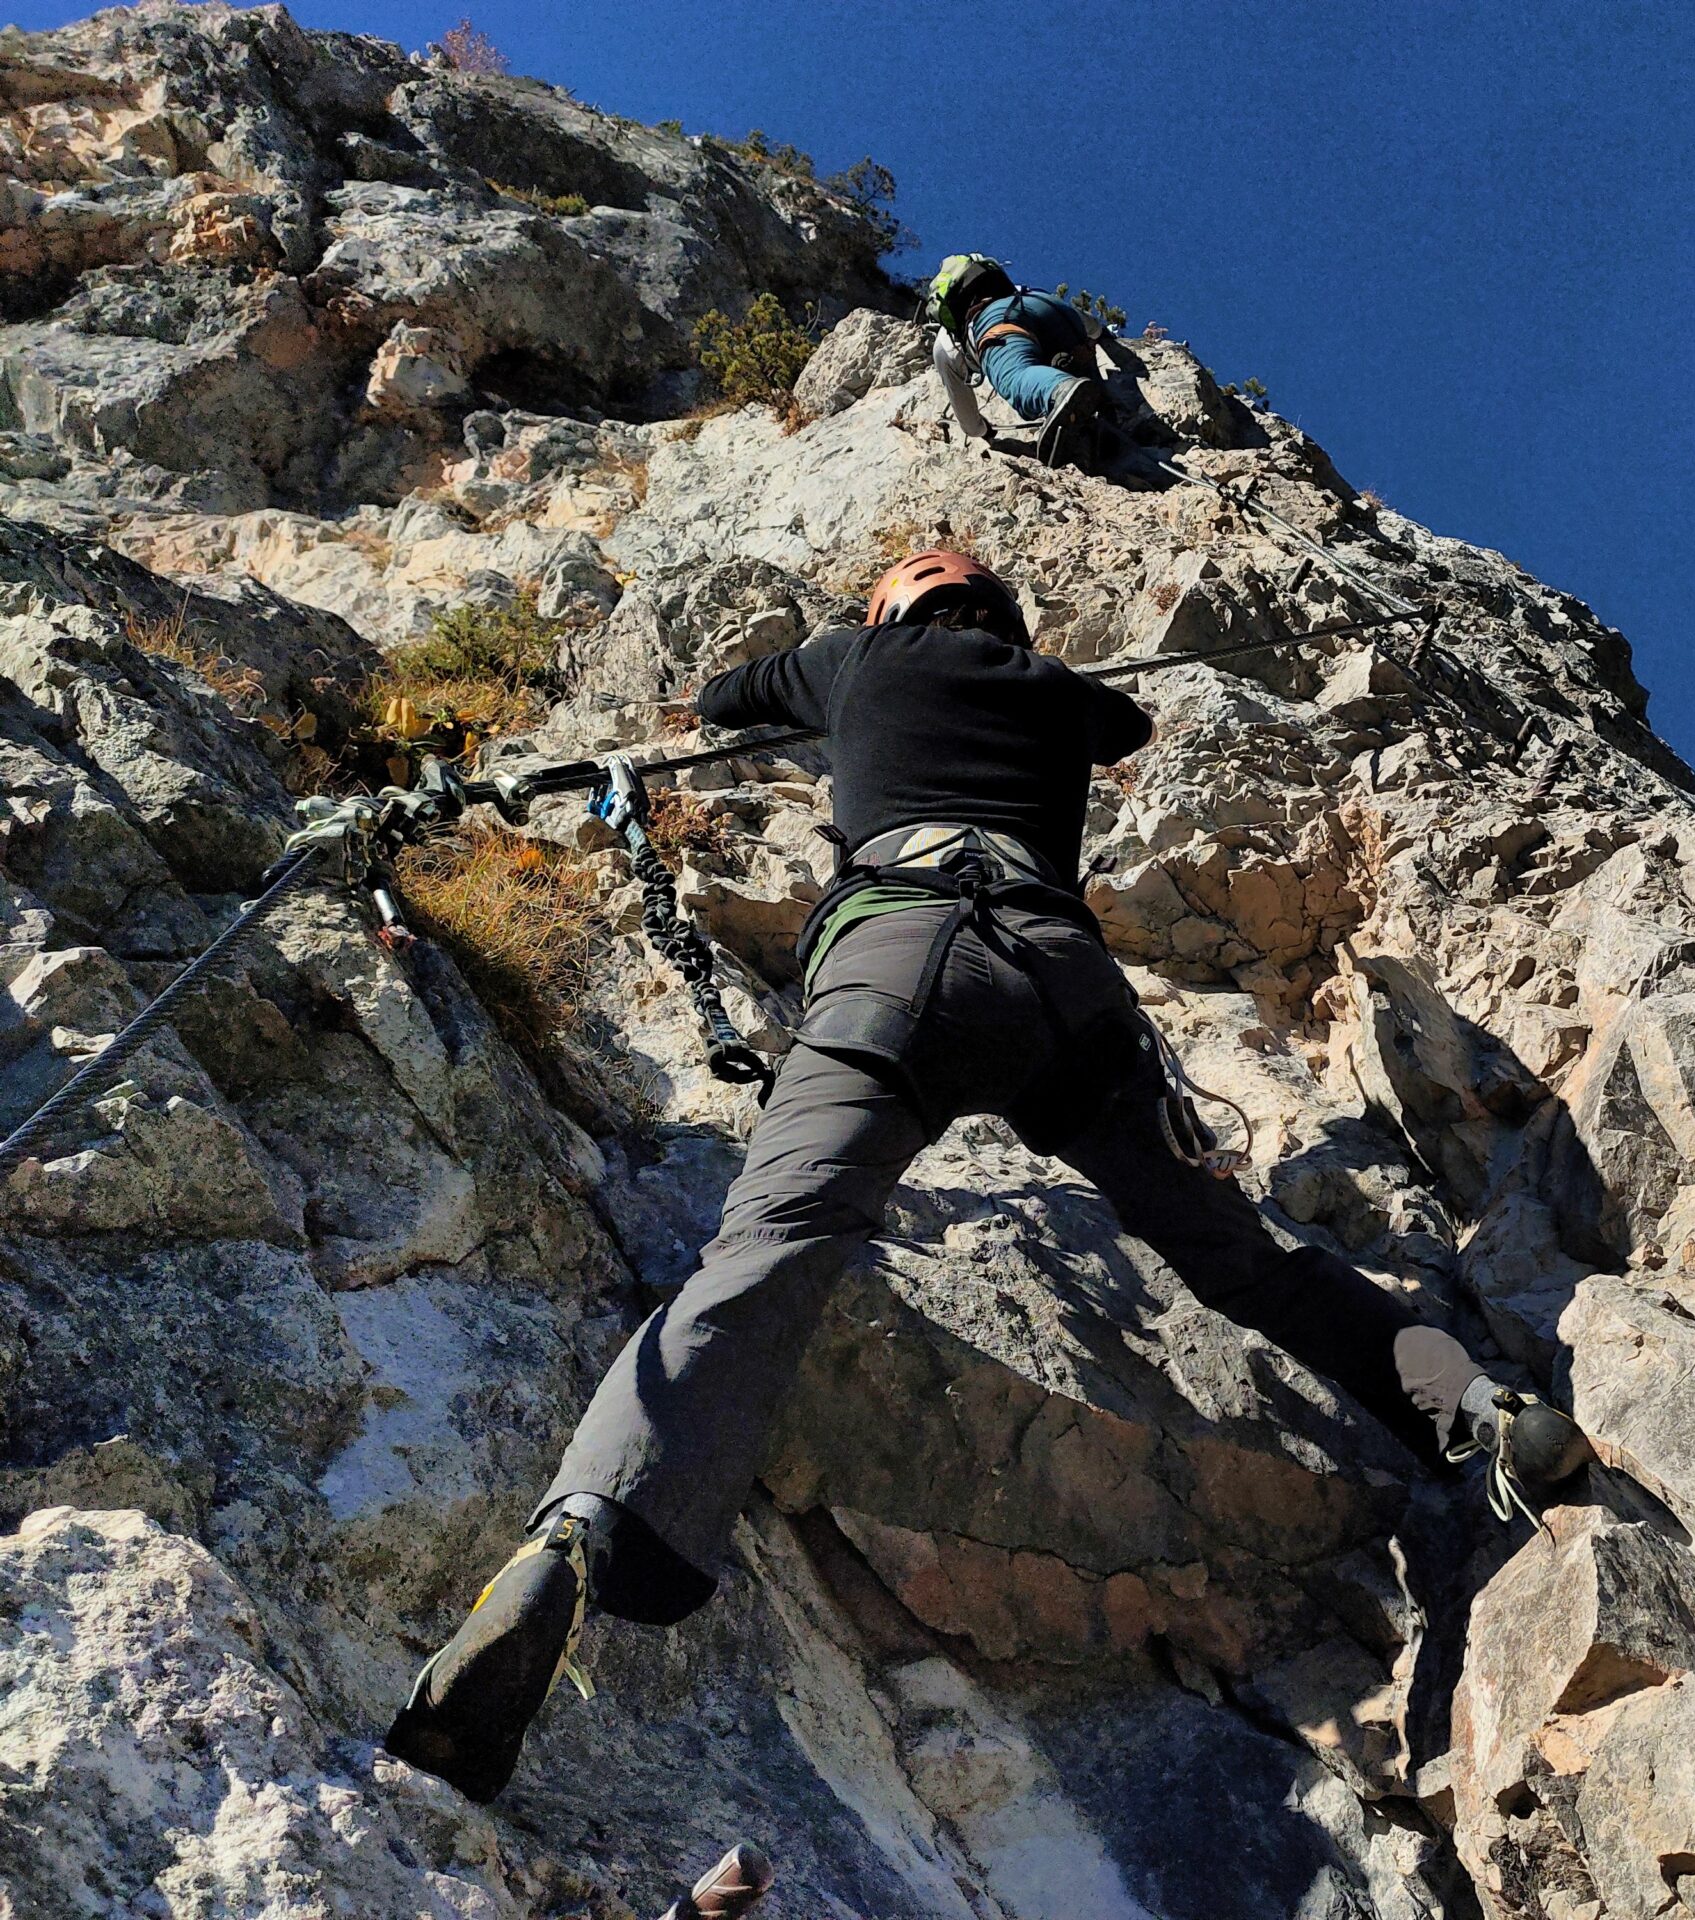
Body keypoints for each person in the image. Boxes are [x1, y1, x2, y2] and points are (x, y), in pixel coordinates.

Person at [381, 550, 1591, 1804]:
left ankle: (588, 1527)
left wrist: (817, 700)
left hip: (897, 955)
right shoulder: (1054, 689)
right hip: (1067, 988)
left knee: (775, 1243)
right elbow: (1122, 723)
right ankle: (1477, 1407)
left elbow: (733, 697)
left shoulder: (854, 657)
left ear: (885, 612)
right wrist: (1022, 678)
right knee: (1249, 1262)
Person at [926, 253, 1117, 471]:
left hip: (1000, 322)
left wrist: (983, 430)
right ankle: (1102, 429)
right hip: (1053, 310)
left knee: (1014, 376)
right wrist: (1099, 335)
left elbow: (969, 423)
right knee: (1083, 390)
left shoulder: (945, 343)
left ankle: (1060, 390)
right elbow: (1094, 328)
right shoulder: (1017, 290)